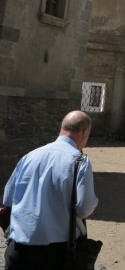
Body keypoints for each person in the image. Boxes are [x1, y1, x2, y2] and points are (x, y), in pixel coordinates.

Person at [2, 110, 99, 270]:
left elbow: (8, 199)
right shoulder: (79, 160)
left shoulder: (29, 157)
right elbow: (84, 208)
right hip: (59, 253)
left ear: (63, 128)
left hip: (20, 250)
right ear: (84, 132)